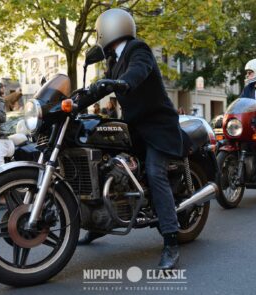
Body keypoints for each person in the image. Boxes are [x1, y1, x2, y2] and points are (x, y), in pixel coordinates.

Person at [77, 8, 184, 270]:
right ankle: (101, 220)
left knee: (154, 172)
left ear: (108, 29)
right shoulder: (113, 60)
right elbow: (101, 86)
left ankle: (171, 241)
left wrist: (123, 83)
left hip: (158, 126)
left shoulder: (138, 49)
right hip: (134, 127)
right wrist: (73, 102)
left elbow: (139, 70)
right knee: (102, 161)